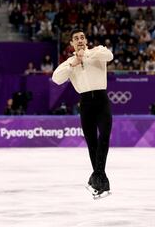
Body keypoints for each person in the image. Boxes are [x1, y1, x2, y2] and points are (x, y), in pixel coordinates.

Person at [52, 29, 113, 197]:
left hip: (102, 101)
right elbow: (56, 79)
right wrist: (74, 63)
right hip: (86, 103)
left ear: (86, 40)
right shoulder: (69, 62)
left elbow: (109, 56)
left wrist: (85, 56)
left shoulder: (97, 51)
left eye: (82, 37)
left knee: (104, 137)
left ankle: (96, 178)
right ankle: (101, 182)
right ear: (71, 43)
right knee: (92, 143)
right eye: (76, 38)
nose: (79, 40)